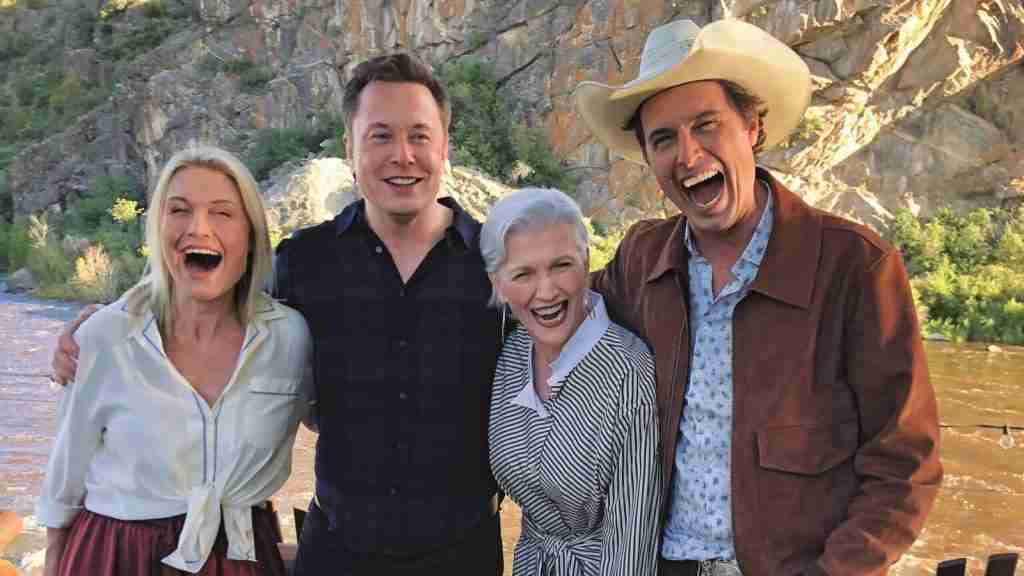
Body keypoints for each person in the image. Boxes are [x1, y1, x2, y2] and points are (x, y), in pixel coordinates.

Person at [49, 53, 505, 576]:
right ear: (349, 149)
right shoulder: (303, 263)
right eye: (380, 135)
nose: (402, 155)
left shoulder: (499, 264)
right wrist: (103, 321)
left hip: (465, 555)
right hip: (335, 556)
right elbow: (203, 290)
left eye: (419, 136)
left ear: (444, 146)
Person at [574, 18, 942, 576]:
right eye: (664, 139)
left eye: (707, 125)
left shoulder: (856, 266)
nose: (689, 155)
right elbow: (555, 314)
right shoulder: (641, 260)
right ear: (648, 159)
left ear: (751, 127)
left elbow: (905, 463)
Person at [36, 145, 312, 575]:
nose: (198, 228)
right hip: (116, 556)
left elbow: (342, 423)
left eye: (223, 213)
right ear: (158, 228)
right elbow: (64, 475)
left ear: (251, 234)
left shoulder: (292, 337)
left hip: (239, 557)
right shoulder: (105, 338)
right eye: (179, 210)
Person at [482, 188, 661, 575]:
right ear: (499, 284)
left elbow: (632, 541)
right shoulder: (511, 356)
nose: (546, 291)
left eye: (561, 265)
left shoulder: (628, 370)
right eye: (523, 274)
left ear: (586, 261)